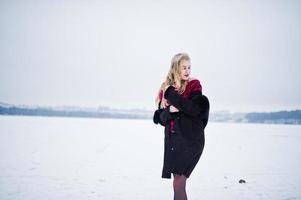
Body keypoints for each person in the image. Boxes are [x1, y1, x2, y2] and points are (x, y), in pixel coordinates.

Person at [153, 53, 209, 200]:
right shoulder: (166, 89)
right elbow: (160, 118)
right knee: (177, 185)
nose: (187, 71)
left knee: (178, 184)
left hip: (191, 140)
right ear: (175, 69)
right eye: (183, 67)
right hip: (174, 142)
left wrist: (172, 96)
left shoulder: (193, 85)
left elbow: (193, 109)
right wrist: (170, 110)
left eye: (189, 67)